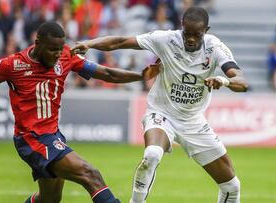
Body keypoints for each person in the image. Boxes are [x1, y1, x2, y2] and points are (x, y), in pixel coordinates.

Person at [0, 21, 160, 203]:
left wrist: (140, 76)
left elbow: (106, 73)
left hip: (53, 135)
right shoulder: (11, 65)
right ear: (38, 44)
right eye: (53, 49)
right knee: (90, 174)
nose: (57, 54)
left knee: (50, 200)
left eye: (60, 49)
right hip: (31, 138)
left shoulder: (66, 56)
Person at [71, 7, 248, 203]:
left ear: (206, 30)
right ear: (181, 27)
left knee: (232, 187)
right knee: (152, 154)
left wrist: (224, 81)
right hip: (161, 113)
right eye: (186, 33)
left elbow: (241, 81)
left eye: (196, 35)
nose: (190, 39)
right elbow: (121, 41)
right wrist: (89, 43)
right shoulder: (166, 39)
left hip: (193, 122)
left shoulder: (215, 48)